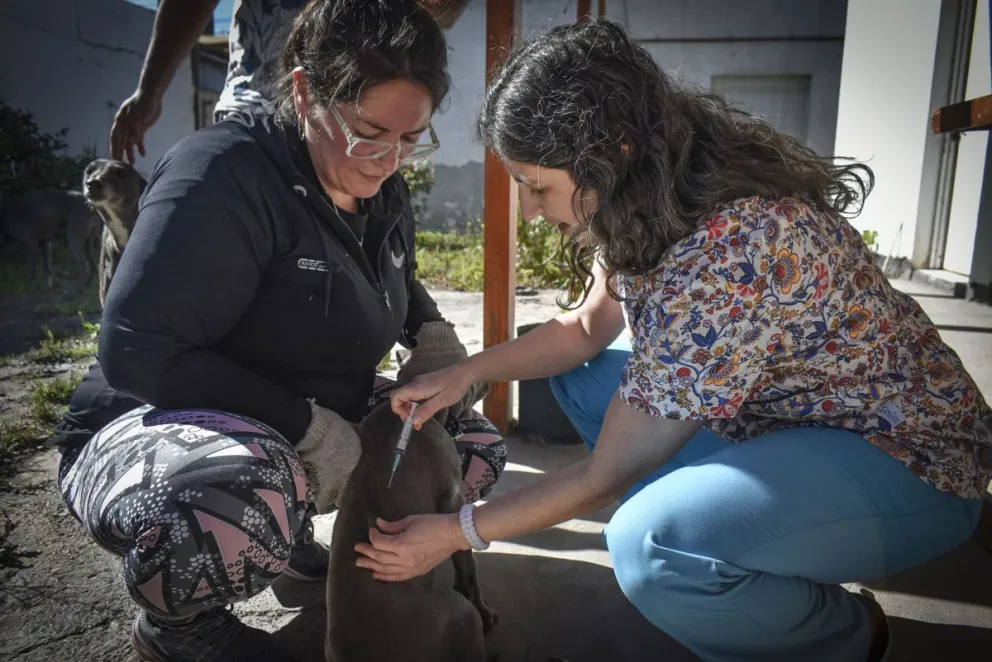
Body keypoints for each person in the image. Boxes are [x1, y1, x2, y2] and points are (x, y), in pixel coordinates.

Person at [356, 19, 992, 662]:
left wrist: (456, 532)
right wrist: (468, 372)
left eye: (538, 186)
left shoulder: (729, 250)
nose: (530, 209)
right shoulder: (650, 194)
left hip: (909, 462)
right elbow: (583, 331)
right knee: (583, 376)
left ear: (612, 153)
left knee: (647, 544)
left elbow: (608, 474)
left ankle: (844, 635)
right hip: (796, 421)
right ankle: (730, 548)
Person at [53, 2, 504, 661]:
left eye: (412, 139)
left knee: (470, 444)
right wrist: (303, 424)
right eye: (369, 132)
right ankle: (179, 631)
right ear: (303, 90)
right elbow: (138, 350)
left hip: (308, 410)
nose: (387, 160)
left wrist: (430, 330)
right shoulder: (226, 173)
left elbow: (389, 268)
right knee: (239, 497)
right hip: (155, 420)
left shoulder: (380, 185)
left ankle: (302, 545)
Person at [109, 0, 469, 163]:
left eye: (410, 140)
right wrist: (150, 91)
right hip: (259, 113)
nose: (394, 159)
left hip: (361, 106)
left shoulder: (379, 148)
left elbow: (443, 13)